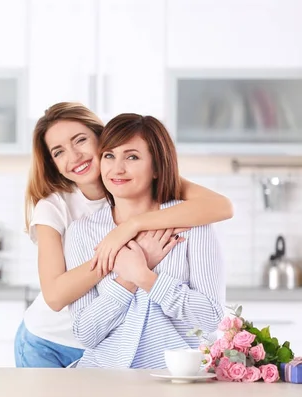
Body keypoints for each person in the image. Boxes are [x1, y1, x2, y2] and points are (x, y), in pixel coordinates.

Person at [14, 102, 232, 368]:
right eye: (59, 152)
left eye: (80, 140)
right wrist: (130, 266)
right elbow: (57, 297)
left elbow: (221, 207)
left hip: (133, 361)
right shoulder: (59, 211)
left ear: (101, 137)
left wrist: (130, 231)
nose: (74, 157)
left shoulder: (183, 213)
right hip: (48, 339)